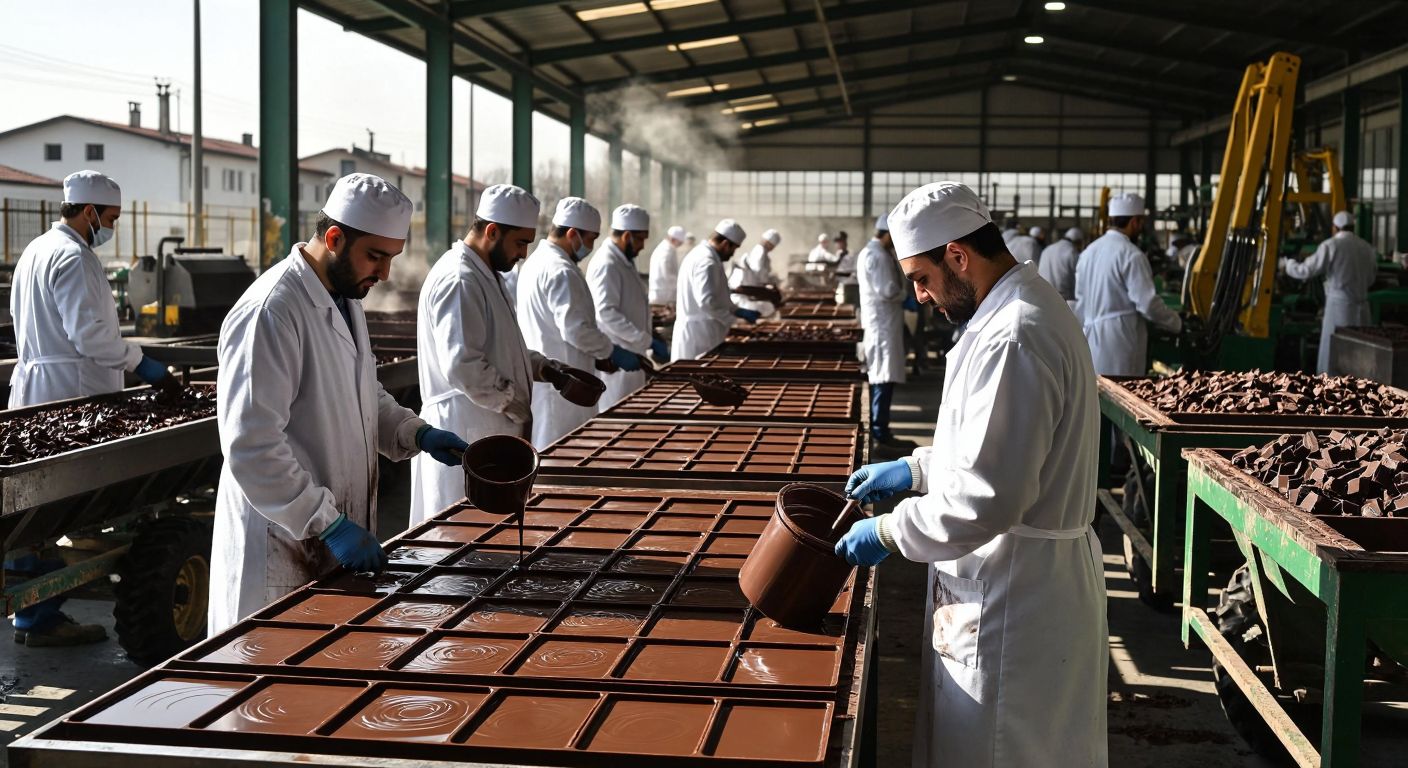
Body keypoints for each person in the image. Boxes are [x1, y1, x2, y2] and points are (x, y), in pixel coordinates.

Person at [835, 181, 1107, 768]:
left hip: (1017, 592)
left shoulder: (1014, 334)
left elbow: (988, 497)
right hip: (1006, 578)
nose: (920, 294)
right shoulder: (1011, 310)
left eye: (922, 277)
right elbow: (990, 445)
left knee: (999, 750)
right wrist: (913, 468)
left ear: (957, 255)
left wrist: (888, 531)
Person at [211, 174, 469, 633]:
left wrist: (416, 432)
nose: (385, 273)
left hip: (324, 539)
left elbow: (363, 391)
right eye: (376, 256)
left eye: (392, 258)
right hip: (282, 541)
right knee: (271, 689)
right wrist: (326, 523)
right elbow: (252, 445)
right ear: (334, 238)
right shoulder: (272, 310)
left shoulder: (344, 301)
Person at [7, 170, 185, 647]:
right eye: (110, 218)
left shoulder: (36, 250)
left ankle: (36, 618)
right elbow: (92, 339)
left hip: (38, 388)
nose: (111, 228)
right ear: (89, 212)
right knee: (65, 503)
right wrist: (143, 364)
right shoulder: (73, 257)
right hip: (73, 390)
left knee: (37, 514)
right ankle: (40, 614)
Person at [410, 185, 592, 524]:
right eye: (520, 242)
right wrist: (510, 400)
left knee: (484, 538)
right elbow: (463, 364)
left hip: (484, 425)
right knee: (459, 539)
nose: (524, 253)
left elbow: (501, 347)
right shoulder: (460, 278)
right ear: (492, 231)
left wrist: (543, 367)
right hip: (466, 426)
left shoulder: (485, 275)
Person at [517, 197, 639, 449]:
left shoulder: (536, 263)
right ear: (572, 234)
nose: (591, 245)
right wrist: (611, 351)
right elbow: (576, 329)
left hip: (551, 379)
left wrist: (600, 356)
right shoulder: (561, 270)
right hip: (566, 385)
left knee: (549, 451)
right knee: (563, 454)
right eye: (591, 238)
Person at [1075, 193, 1181, 376]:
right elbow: (1147, 304)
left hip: (1091, 340)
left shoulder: (1088, 252)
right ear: (1134, 222)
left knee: (1097, 396)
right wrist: (1176, 323)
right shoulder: (1131, 254)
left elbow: (1080, 299)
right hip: (1120, 342)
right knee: (1123, 396)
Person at [1282, 210, 1377, 373]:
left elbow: (1306, 270)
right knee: (1360, 357)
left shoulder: (1331, 245)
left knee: (1332, 355)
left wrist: (1287, 264)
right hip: (1362, 310)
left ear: (1335, 227)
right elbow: (1371, 279)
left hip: (1339, 310)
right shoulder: (1367, 248)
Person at [586, 204, 662, 408]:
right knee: (616, 417)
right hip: (620, 357)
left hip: (633, 353)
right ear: (627, 236)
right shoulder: (607, 264)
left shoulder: (622, 261)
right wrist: (644, 339)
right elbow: (605, 311)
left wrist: (649, 335)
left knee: (631, 411)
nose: (643, 245)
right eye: (641, 239)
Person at [856, 213, 916, 450]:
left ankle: (881, 427)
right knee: (883, 376)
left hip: (883, 323)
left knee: (883, 375)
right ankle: (879, 430)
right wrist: (907, 298)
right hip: (882, 325)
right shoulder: (877, 255)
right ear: (888, 233)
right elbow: (887, 289)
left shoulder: (873, 253)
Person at [673, 220, 757, 359]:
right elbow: (707, 302)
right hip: (700, 333)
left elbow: (717, 295)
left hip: (702, 330)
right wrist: (733, 321)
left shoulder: (704, 255)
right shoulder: (706, 262)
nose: (732, 254)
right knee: (697, 373)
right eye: (733, 249)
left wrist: (735, 309)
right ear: (725, 244)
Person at [730, 228, 781, 315]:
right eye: (773, 245)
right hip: (741, 298)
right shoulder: (760, 252)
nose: (773, 248)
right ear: (769, 243)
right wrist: (768, 285)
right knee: (769, 308)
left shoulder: (759, 251)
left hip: (745, 294)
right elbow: (760, 274)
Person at [1038, 226, 1085, 305]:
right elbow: (1078, 279)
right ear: (1078, 242)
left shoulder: (1047, 249)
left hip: (1043, 296)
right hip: (1064, 300)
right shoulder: (1072, 252)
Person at [648, 225, 686, 306]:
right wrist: (680, 284)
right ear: (673, 239)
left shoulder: (667, 248)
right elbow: (666, 274)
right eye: (679, 243)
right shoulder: (666, 251)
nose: (680, 245)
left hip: (663, 294)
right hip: (663, 296)